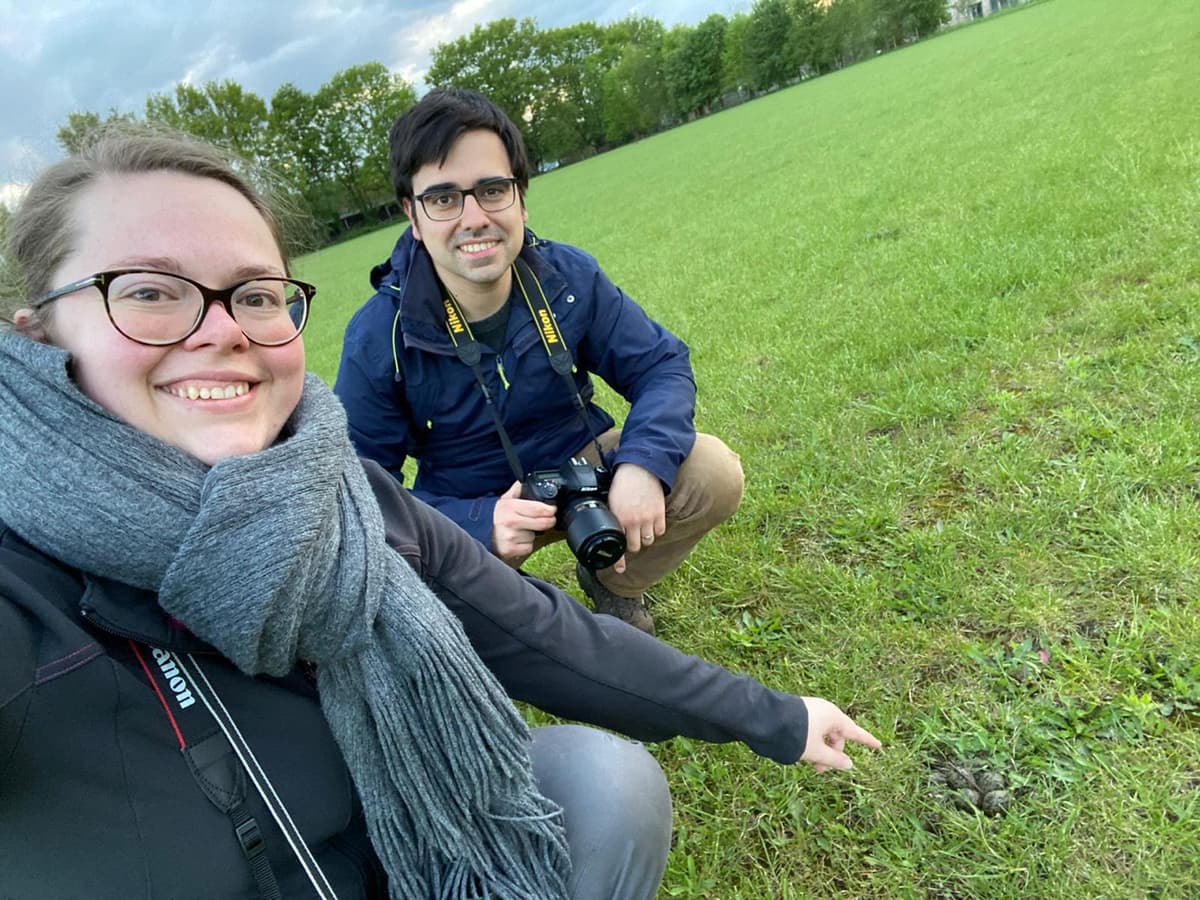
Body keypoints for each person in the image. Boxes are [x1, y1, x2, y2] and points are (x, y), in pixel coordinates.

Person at [0, 127, 880, 900]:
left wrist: (776, 711)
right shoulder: (23, 589)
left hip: (563, 497)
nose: (221, 329)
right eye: (149, 291)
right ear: (37, 332)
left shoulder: (342, 490)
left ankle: (614, 578)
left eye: (257, 293)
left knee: (608, 772)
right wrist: (474, 521)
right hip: (477, 517)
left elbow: (553, 630)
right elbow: (392, 470)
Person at [335, 87, 745, 635]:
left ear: (520, 197)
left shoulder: (566, 277)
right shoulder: (378, 335)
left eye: (492, 189)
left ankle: (613, 582)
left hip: (581, 467)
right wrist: (478, 527)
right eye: (443, 199)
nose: (473, 217)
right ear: (413, 214)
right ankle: (500, 598)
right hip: (467, 502)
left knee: (711, 472)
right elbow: (360, 486)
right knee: (420, 601)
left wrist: (642, 464)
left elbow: (661, 364)